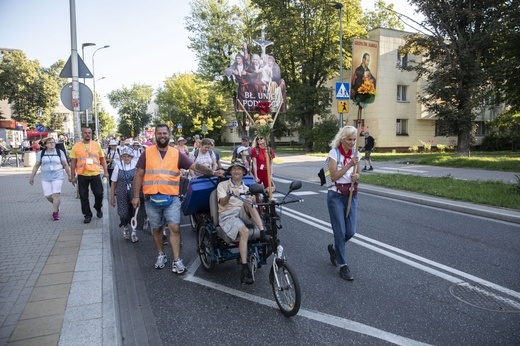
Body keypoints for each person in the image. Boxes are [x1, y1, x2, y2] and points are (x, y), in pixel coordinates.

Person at [132, 124, 223, 274]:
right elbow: (139, 175)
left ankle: (177, 259)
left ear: (169, 135)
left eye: (165, 133)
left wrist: (212, 172)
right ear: (155, 135)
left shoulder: (176, 154)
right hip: (151, 198)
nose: (162, 135)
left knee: (174, 228)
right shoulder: (147, 153)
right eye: (159, 133)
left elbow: (195, 166)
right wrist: (136, 196)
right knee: (157, 229)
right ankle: (161, 254)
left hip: (171, 198)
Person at [217, 159, 265, 284]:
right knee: (244, 231)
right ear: (231, 171)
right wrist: (229, 194)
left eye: (240, 169)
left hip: (242, 214)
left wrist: (252, 198)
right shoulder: (222, 185)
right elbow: (222, 202)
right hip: (228, 215)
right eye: (234, 168)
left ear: (243, 172)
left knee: (249, 202)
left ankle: (262, 231)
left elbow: (251, 206)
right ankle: (244, 267)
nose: (237, 171)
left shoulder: (246, 188)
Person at [326, 126, 361, 281]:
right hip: (336, 195)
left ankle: (334, 248)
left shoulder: (356, 154)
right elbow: (333, 176)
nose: (352, 143)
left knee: (350, 231)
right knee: (340, 232)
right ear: (342, 139)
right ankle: (343, 265)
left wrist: (356, 177)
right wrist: (349, 165)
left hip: (351, 194)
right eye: (349, 139)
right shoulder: (334, 153)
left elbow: (358, 174)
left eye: (354, 139)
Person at [69, 127, 109, 224]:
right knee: (83, 196)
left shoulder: (96, 145)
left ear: (92, 134)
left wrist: (105, 172)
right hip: (82, 175)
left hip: (95, 174)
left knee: (99, 194)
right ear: (82, 134)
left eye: (89, 133)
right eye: (85, 133)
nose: (87, 134)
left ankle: (98, 207)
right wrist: (72, 176)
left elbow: (102, 159)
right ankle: (87, 215)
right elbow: (73, 162)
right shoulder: (77, 146)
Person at [29, 137, 72, 221]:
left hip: (58, 176)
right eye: (49, 142)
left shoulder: (60, 152)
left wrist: (70, 175)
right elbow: (36, 165)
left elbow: (66, 165)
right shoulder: (41, 153)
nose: (52, 144)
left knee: (56, 194)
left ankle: (55, 212)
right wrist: (32, 176)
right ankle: (56, 204)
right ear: (45, 144)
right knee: (48, 196)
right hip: (46, 177)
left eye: (53, 142)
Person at [110, 147, 138, 242]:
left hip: (133, 191)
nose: (126, 158)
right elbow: (113, 182)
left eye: (128, 156)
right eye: (124, 156)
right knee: (123, 212)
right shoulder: (118, 166)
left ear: (131, 157)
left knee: (134, 211)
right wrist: (112, 198)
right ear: (122, 157)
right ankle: (125, 227)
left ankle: (134, 231)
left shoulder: (135, 165)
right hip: (121, 191)